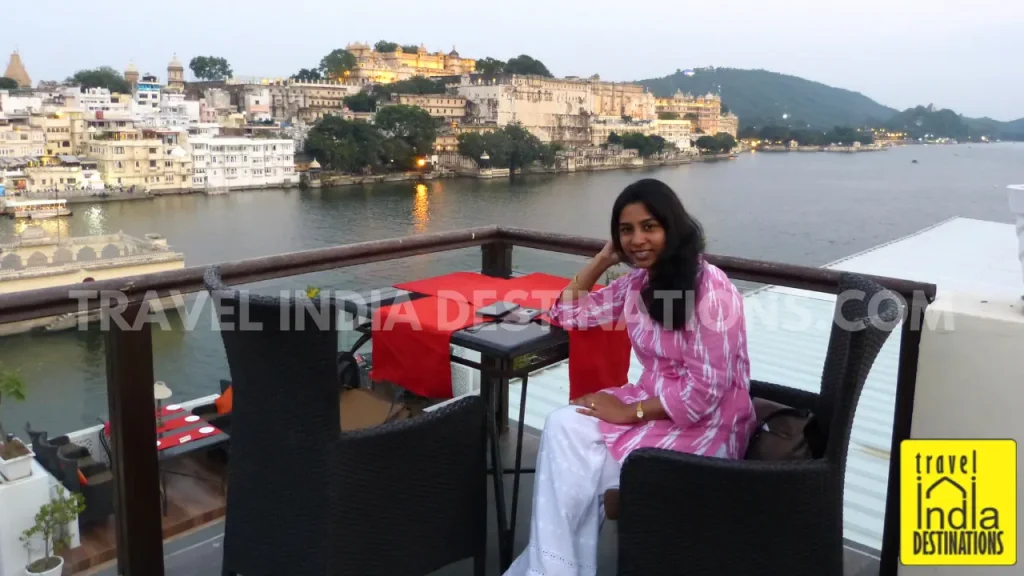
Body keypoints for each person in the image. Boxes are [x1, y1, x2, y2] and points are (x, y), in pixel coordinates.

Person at [503, 178, 757, 576]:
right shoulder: (640, 282)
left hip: (706, 426)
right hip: (653, 407)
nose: (638, 239)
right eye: (626, 230)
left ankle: (550, 570)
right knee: (563, 426)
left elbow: (704, 396)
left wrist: (627, 413)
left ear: (672, 228)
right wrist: (602, 260)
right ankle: (556, 569)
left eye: (649, 227)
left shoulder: (712, 292)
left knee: (580, 469)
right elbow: (568, 313)